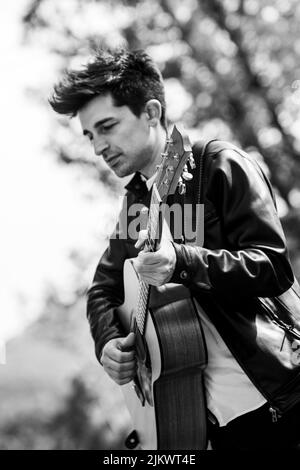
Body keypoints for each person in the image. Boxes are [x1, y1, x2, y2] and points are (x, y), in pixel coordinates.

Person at [49, 48, 300, 450]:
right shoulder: (134, 208)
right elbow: (102, 291)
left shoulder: (216, 165)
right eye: (90, 135)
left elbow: (272, 266)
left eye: (107, 126)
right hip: (210, 426)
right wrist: (109, 344)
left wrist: (181, 262)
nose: (97, 147)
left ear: (150, 112)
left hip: (281, 400)